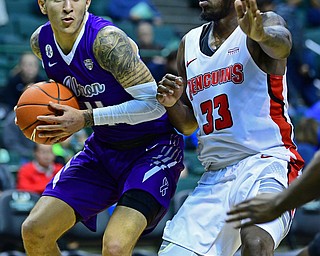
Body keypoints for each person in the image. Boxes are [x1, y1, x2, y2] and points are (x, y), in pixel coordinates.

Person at [21, 1, 184, 256]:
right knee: (35, 231)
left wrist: (86, 118)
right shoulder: (40, 43)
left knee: (115, 247)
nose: (67, 7)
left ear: (87, 1)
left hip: (151, 149)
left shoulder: (107, 41)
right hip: (102, 148)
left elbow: (155, 107)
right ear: (42, 4)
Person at [156, 0, 304, 255]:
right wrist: (170, 104)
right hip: (216, 174)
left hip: (267, 161)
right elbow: (189, 123)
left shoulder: (265, 25)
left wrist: (261, 35)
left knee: (256, 241)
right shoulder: (188, 44)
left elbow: (282, 45)